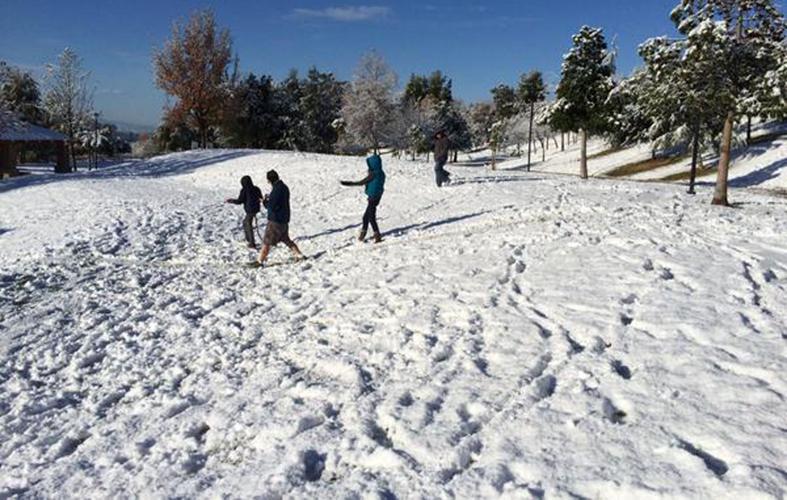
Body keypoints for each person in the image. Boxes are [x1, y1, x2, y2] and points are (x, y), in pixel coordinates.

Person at [256, 170, 304, 266]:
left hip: (275, 220)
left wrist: (264, 202)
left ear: (270, 180)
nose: (268, 182)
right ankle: (299, 255)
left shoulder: (276, 189)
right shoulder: (284, 187)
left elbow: (272, 206)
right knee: (286, 239)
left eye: (268, 180)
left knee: (267, 241)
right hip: (284, 219)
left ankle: (259, 261)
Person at [341, 154, 386, 243]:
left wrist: (349, 183)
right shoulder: (381, 173)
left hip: (373, 197)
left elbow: (362, 182)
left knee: (371, 217)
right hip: (377, 196)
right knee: (366, 217)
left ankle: (377, 235)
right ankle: (363, 233)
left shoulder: (374, 174)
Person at [225, 175, 263, 249]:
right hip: (256, 209)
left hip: (250, 210)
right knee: (245, 222)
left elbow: (239, 201)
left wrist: (231, 200)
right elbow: (260, 197)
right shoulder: (256, 188)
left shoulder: (244, 190)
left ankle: (252, 243)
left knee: (248, 224)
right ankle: (248, 239)